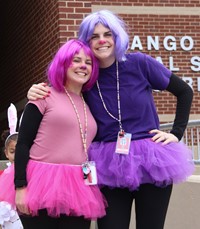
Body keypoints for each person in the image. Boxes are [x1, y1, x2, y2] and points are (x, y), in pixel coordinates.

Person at [27, 10, 194, 229]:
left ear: (117, 37)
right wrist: (37, 90)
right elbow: (62, 90)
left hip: (151, 160)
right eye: (94, 36)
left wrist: (176, 132)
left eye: (108, 34)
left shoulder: (140, 63)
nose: (102, 40)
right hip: (106, 164)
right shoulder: (86, 75)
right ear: (87, 41)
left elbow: (184, 91)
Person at [0, 39, 107, 229]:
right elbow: (23, 143)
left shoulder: (88, 103)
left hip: (78, 186)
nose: (83, 66)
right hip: (40, 184)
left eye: (88, 62)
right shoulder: (43, 95)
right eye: (76, 60)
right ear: (63, 63)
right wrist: (20, 187)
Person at [0, 105, 23, 229]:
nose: (17, 156)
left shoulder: (30, 171)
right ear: (6, 153)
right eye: (13, 151)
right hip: (8, 217)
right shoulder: (3, 175)